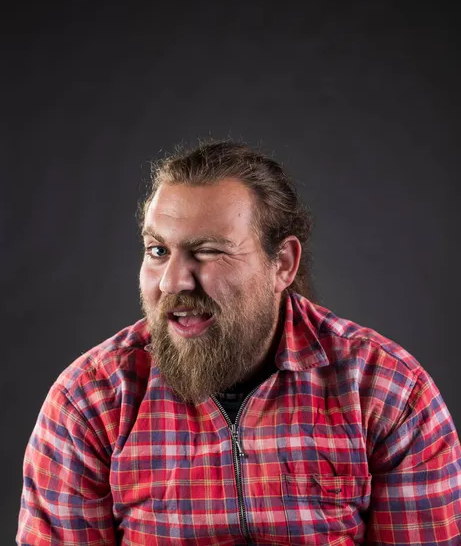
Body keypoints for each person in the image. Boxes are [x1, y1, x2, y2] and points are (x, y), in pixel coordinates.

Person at [18, 139, 461, 545]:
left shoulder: (388, 390)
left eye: (208, 251)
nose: (173, 280)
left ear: (282, 265)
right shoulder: (89, 401)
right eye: (157, 250)